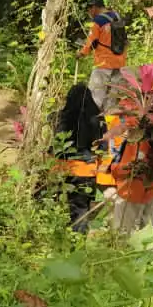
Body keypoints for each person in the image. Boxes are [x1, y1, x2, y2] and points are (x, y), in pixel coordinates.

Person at [51, 84, 104, 232]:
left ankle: (57, 240)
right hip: (86, 171)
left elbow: (54, 141)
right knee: (81, 211)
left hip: (62, 169)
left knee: (58, 207)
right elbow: (102, 145)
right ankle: (77, 243)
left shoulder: (60, 117)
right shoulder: (98, 120)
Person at [79, 0, 128, 109]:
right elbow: (125, 40)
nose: (89, 12)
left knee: (95, 97)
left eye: (89, 9)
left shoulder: (98, 21)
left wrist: (81, 53)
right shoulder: (117, 16)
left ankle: (92, 123)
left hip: (103, 64)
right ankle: (110, 125)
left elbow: (91, 43)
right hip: (119, 63)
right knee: (112, 99)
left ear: (94, 7)